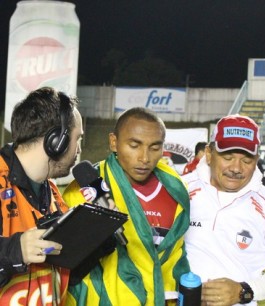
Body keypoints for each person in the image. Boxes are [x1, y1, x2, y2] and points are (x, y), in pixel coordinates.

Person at [63, 107, 190, 306]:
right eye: (134, 145)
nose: (145, 158)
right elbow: (69, 267)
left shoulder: (175, 187)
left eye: (155, 147)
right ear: (114, 142)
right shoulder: (84, 190)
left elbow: (176, 255)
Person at [183, 114, 265, 306]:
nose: (236, 168)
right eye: (228, 157)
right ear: (209, 154)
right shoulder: (180, 189)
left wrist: (244, 291)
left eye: (247, 160)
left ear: (257, 159)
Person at [0, 87, 83, 305]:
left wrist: (99, 235)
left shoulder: (53, 193)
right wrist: (14, 250)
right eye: (78, 139)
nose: (78, 150)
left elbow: (69, 272)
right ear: (56, 141)